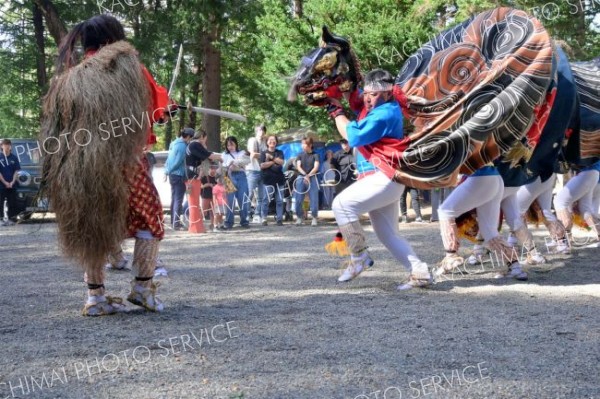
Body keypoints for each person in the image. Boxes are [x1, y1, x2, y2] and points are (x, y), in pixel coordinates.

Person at [40, 14, 171, 315]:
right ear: (115, 39)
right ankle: (142, 287)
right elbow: (154, 109)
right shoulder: (130, 71)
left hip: (77, 168)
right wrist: (165, 110)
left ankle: (95, 297)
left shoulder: (66, 81)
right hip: (124, 164)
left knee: (92, 226)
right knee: (150, 220)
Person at [324, 69, 432, 289]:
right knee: (388, 234)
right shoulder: (380, 107)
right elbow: (355, 100)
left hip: (384, 179)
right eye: (367, 93)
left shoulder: (385, 113)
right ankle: (420, 272)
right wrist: (340, 85)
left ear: (385, 93)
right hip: (384, 180)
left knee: (341, 205)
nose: (367, 98)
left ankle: (359, 257)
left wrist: (335, 111)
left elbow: (353, 136)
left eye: (372, 95)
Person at [185, 130, 222, 233]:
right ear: (202, 136)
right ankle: (195, 227)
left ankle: (197, 226)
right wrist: (222, 157)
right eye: (205, 138)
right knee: (194, 202)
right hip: (192, 177)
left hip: (193, 176)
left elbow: (205, 154)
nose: (205, 141)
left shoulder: (192, 145)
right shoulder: (195, 144)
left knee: (194, 202)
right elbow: (208, 155)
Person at [554, 160, 600, 242]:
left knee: (560, 202)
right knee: (585, 210)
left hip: (587, 173)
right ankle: (566, 238)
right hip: (595, 175)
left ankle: (563, 240)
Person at [164, 128, 194, 230]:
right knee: (178, 199)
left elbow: (168, 159)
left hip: (172, 175)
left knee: (174, 198)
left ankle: (174, 221)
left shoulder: (173, 143)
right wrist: (168, 171)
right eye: (191, 138)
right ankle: (176, 224)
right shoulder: (183, 146)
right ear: (188, 136)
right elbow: (177, 161)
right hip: (178, 174)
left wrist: (166, 171)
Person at [222, 136, 250, 229]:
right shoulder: (224, 155)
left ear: (236, 144)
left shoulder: (241, 153)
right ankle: (229, 222)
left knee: (243, 199)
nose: (230, 147)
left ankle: (244, 221)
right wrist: (229, 165)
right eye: (228, 145)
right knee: (230, 201)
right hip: (229, 177)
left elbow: (247, 160)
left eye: (232, 144)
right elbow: (223, 166)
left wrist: (234, 162)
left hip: (241, 176)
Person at [260, 135, 286, 225]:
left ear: (276, 142)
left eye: (274, 140)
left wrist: (271, 159)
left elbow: (281, 163)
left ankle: (279, 219)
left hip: (279, 180)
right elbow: (262, 165)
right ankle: (264, 218)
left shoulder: (280, 152)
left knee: (279, 200)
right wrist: (274, 162)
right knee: (266, 200)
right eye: (270, 140)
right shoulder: (263, 153)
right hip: (268, 180)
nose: (272, 141)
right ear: (267, 142)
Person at [294, 136, 320, 226]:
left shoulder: (315, 155)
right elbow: (298, 166)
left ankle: (314, 217)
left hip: (312, 177)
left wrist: (308, 175)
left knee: (314, 198)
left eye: (304, 144)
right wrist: (305, 175)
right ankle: (299, 217)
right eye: (302, 144)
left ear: (310, 145)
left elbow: (316, 167)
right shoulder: (300, 155)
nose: (302, 145)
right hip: (301, 177)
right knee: (298, 198)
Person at [246, 124, 268, 224]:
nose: (261, 132)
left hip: (262, 170)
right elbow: (253, 154)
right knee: (249, 194)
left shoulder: (264, 142)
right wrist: (265, 155)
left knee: (261, 195)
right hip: (252, 170)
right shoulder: (252, 140)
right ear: (256, 131)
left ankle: (257, 214)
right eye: (260, 130)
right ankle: (245, 214)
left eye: (263, 130)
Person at [0, 139, 20, 226]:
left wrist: (12, 182)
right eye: (5, 144)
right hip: (1, 185)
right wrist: (5, 182)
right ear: (1, 146)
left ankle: (11, 219)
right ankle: (1, 220)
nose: (7, 146)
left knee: (12, 202)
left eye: (8, 145)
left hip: (12, 185)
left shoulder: (14, 158)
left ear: (10, 146)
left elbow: (16, 171)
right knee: (0, 202)